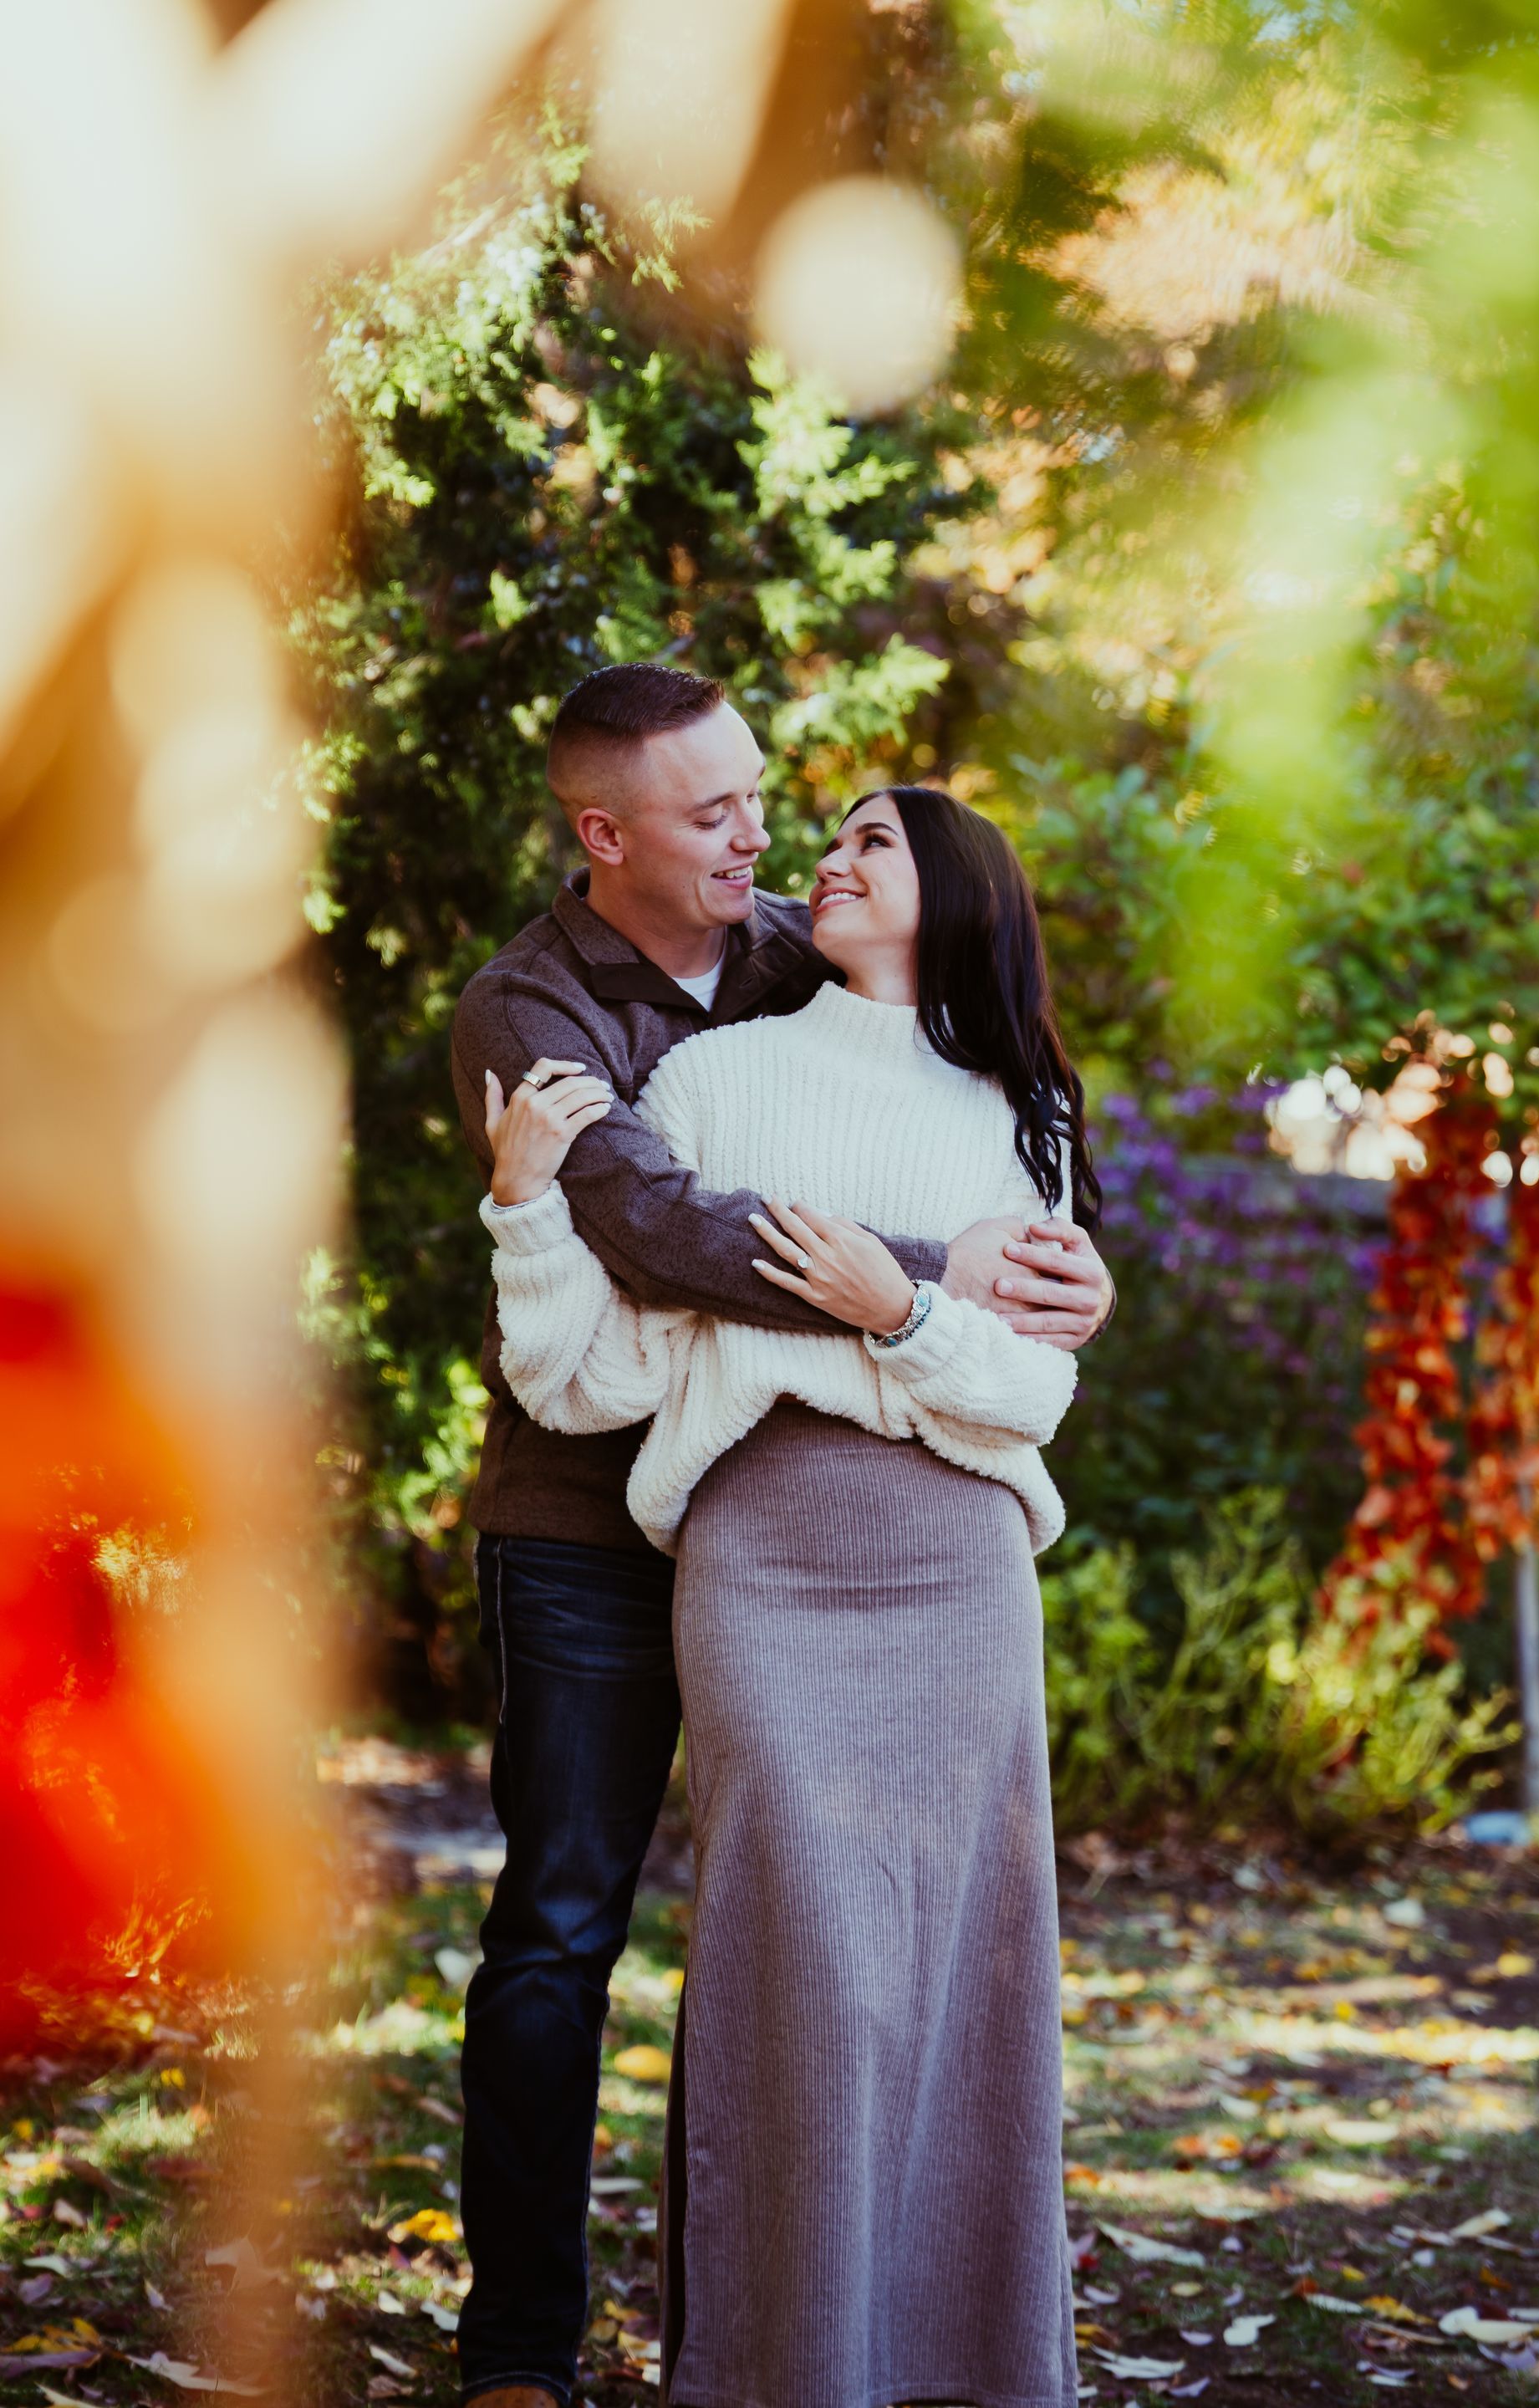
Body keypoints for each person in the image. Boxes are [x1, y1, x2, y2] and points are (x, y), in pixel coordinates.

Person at [449, 663, 1113, 2408]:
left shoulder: (784, 965)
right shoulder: (532, 1009)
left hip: (893, 1535)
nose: (766, 836)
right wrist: (921, 1274)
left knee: (921, 1955)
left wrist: (1037, 1277)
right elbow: (653, 1236)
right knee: (569, 1926)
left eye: (778, 807)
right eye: (716, 811)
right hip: (600, 1526)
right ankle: (526, 2354)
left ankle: (930, 2330)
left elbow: (1022, 1305)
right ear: (606, 835)